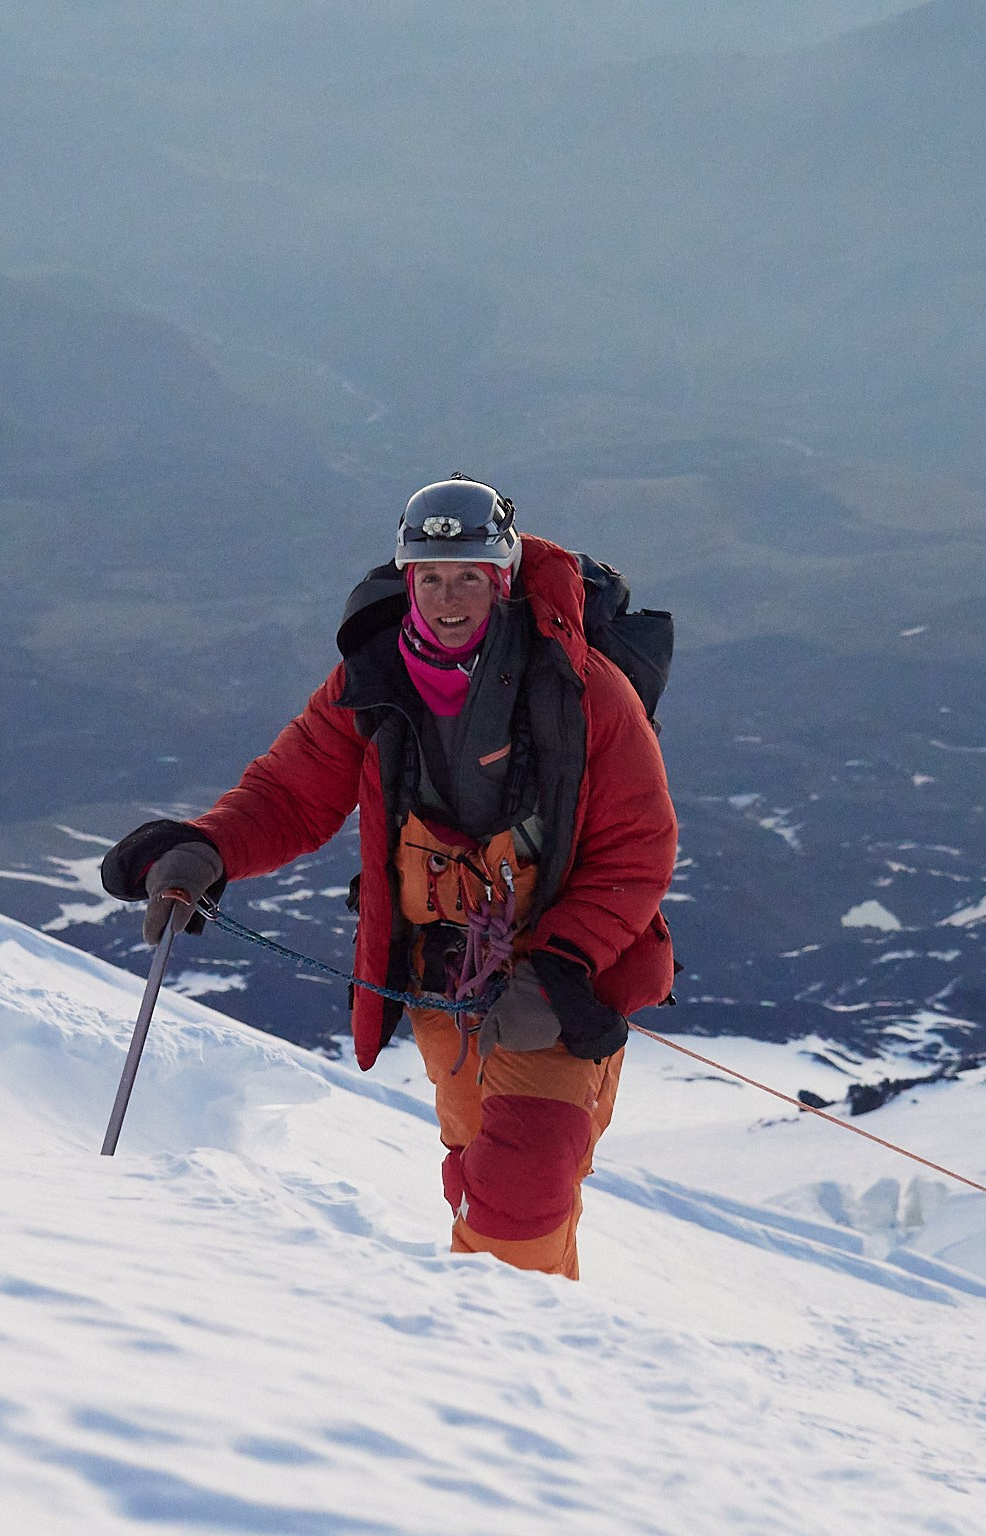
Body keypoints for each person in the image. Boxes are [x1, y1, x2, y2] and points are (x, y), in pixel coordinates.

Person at [101, 475, 677, 1279]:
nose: (448, 598)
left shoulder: (583, 691)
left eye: (469, 576)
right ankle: (538, 1342)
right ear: (407, 580)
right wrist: (208, 848)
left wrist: (558, 970)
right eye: (430, 577)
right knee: (484, 1181)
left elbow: (637, 848)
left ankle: (497, 1342)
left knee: (520, 1188)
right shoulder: (374, 677)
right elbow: (292, 792)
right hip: (443, 983)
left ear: (503, 579)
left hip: (555, 987)